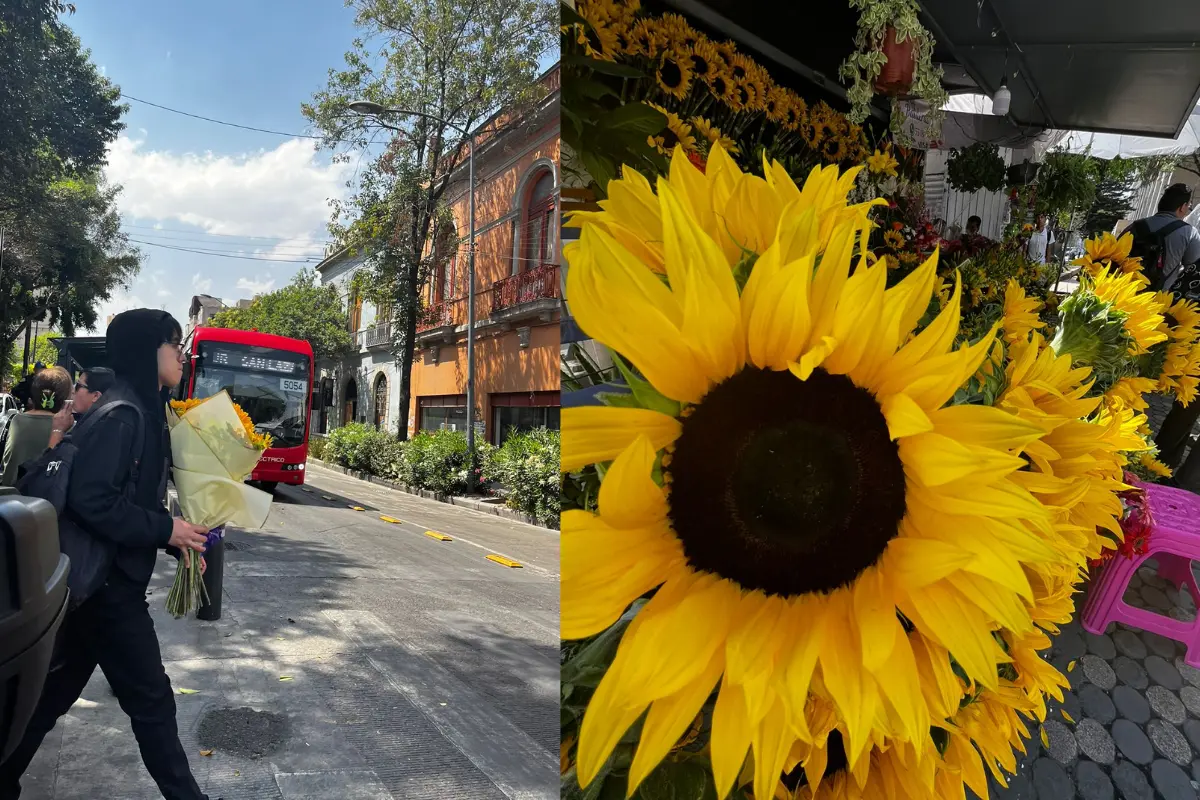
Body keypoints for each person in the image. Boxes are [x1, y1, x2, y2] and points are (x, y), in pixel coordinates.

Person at [0, 310, 215, 800]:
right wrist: (166, 527)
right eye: (173, 344)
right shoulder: (123, 414)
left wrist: (174, 538)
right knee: (152, 699)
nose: (180, 355)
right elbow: (92, 499)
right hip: (109, 590)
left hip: (98, 583)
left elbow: (124, 501)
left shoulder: (136, 407)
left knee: (50, 696)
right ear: (147, 350)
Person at [1122, 183, 1200, 293]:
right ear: (1182, 207)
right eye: (1188, 205)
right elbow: (1194, 270)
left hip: (1122, 295)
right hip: (1157, 303)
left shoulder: (1135, 226)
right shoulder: (1190, 232)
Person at [1, 367, 71, 487]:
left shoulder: (17, 420)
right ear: (65, 398)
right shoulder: (68, 428)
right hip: (44, 501)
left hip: (10, 495)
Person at [46, 368, 117, 450]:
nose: (72, 391)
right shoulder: (103, 421)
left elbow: (54, 461)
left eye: (78, 386)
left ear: (95, 396)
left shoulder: (95, 431)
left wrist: (58, 430)